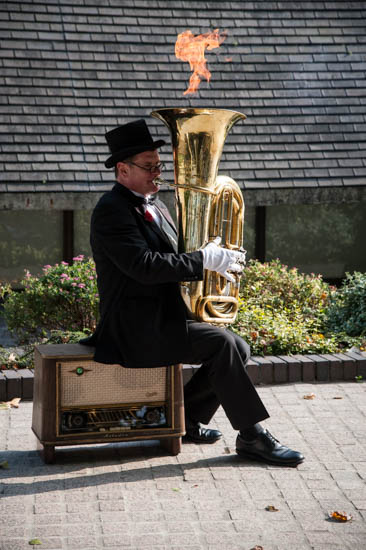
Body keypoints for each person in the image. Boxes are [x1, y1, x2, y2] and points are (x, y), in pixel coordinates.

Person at [82, 119, 304, 467]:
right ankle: (252, 436)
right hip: (133, 328)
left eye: (159, 165)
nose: (158, 172)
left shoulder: (159, 205)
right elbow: (144, 265)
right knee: (224, 345)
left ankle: (186, 421)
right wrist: (204, 260)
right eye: (149, 166)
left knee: (238, 347)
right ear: (123, 170)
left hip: (163, 318)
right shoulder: (111, 211)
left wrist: (212, 252)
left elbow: (172, 258)